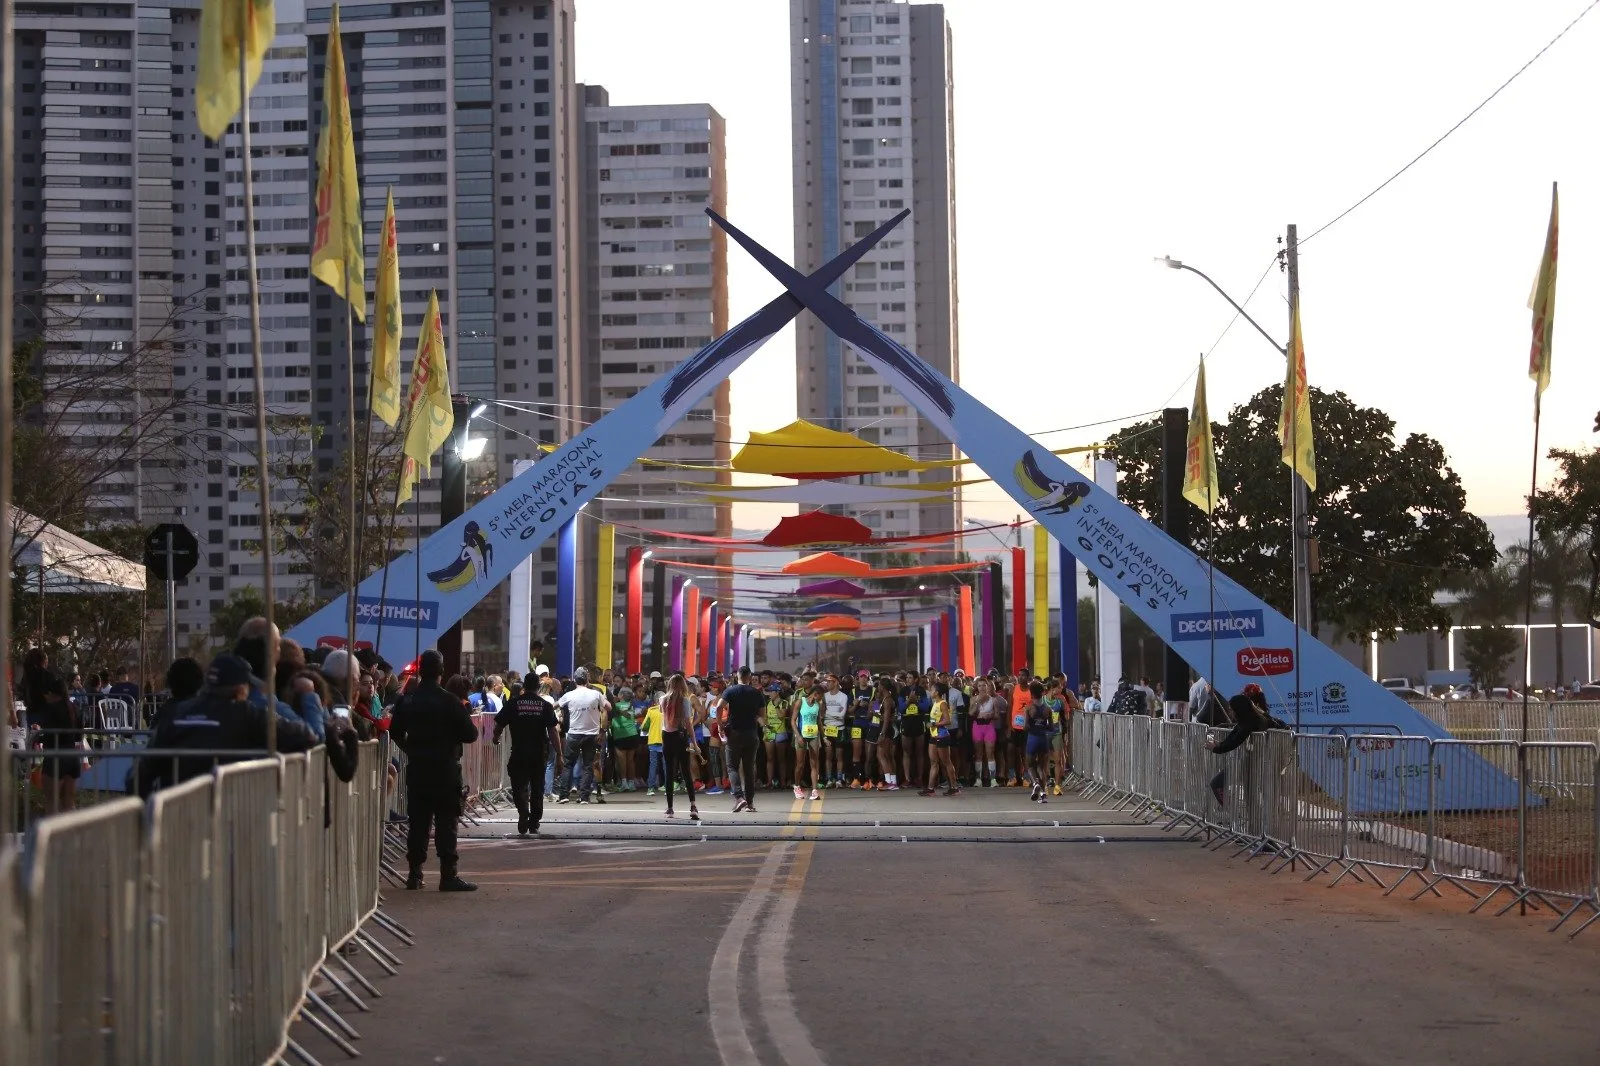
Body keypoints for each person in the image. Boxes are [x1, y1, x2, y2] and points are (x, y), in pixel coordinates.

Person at [137, 654, 359, 797]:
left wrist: (142, 809)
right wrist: (310, 697)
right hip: (230, 815)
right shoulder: (249, 713)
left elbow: (143, 768)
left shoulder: (176, 713)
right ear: (242, 688)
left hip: (174, 816)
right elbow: (311, 736)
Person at [389, 649, 482, 892]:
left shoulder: (407, 700)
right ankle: (448, 875)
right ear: (441, 671)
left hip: (418, 769)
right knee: (446, 824)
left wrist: (410, 749)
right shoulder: (450, 701)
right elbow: (470, 735)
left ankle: (415, 874)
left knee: (418, 824)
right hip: (445, 770)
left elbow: (396, 732)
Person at [494, 674, 562, 835]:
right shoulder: (544, 705)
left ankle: (523, 811)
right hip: (538, 753)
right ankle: (534, 822)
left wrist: (495, 738)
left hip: (519, 752)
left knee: (519, 786)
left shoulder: (514, 703)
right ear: (538, 687)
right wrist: (559, 754)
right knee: (537, 788)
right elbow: (553, 731)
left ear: (524, 686)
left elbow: (499, 724)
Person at [1206, 692, 1273, 806]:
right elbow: (1233, 736)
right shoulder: (1245, 722)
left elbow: (1236, 741)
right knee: (1248, 794)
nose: (1230, 713)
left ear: (1239, 710)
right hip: (1249, 761)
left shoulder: (1251, 722)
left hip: (1258, 762)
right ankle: (1241, 817)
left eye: (1232, 710)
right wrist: (1219, 744)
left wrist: (1216, 749)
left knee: (1250, 793)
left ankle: (1233, 814)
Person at [555, 667, 608, 804]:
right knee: (587, 765)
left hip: (573, 733)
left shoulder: (569, 695)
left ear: (574, 680)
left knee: (568, 765)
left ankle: (563, 795)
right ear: (587, 679)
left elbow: (555, 705)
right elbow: (608, 707)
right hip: (591, 734)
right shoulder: (596, 694)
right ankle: (584, 796)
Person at [721, 667, 766, 813]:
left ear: (737, 676)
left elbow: (719, 706)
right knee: (748, 768)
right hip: (751, 733)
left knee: (732, 766)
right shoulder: (757, 693)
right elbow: (761, 714)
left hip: (734, 732)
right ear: (750, 677)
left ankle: (739, 797)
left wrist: (720, 725)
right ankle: (750, 803)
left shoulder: (730, 691)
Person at [658, 673, 700, 821]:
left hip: (666, 736)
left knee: (669, 772)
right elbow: (688, 724)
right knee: (686, 771)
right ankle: (693, 806)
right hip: (680, 736)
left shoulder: (662, 699)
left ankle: (670, 808)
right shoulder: (685, 701)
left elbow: (663, 716)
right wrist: (694, 743)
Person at [921, 679, 959, 797]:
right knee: (934, 762)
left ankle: (954, 787)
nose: (930, 691)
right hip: (934, 735)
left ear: (937, 692)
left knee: (946, 762)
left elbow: (948, 721)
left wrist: (934, 724)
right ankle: (930, 788)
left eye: (932, 689)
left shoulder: (943, 703)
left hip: (942, 736)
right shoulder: (935, 703)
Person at [791, 676, 824, 801]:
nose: (822, 699)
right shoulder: (800, 702)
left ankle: (815, 791)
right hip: (801, 735)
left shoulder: (817, 705)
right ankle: (797, 786)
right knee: (800, 764)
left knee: (814, 763)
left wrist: (824, 737)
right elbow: (793, 721)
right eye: (821, 696)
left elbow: (819, 722)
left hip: (814, 735)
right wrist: (798, 736)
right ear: (816, 694)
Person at [1023, 681, 1054, 803]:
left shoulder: (1029, 709)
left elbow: (1025, 727)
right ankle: (1043, 794)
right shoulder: (1048, 709)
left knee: (1030, 764)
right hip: (1043, 739)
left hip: (1032, 738)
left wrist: (1033, 725)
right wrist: (1042, 725)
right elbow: (1051, 728)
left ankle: (1035, 783)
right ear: (1043, 693)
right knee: (1042, 767)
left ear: (1031, 694)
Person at [607, 686, 641, 791]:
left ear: (621, 695)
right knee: (630, 760)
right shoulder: (631, 706)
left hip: (620, 736)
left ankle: (624, 783)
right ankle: (631, 784)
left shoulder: (615, 706)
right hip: (633, 735)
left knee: (622, 761)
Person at [821, 673, 850, 788]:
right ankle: (829, 779)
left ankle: (839, 779)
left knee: (839, 756)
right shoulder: (825, 696)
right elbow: (822, 714)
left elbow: (841, 715)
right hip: (827, 728)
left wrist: (829, 714)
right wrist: (833, 714)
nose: (827, 684)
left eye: (829, 682)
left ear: (836, 682)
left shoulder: (843, 696)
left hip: (839, 728)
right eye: (826, 682)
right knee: (828, 756)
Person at [763, 679, 791, 790]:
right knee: (770, 758)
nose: (769, 694)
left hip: (780, 732)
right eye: (769, 691)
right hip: (769, 732)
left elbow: (781, 716)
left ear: (777, 692)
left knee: (781, 758)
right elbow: (764, 717)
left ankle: (783, 782)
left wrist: (776, 705)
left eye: (771, 691)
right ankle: (770, 782)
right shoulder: (767, 703)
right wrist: (765, 727)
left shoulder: (784, 702)